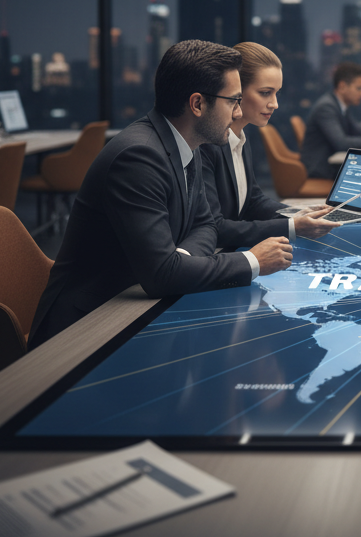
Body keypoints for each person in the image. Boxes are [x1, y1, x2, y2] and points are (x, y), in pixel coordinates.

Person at [29, 40, 293, 348]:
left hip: (136, 306)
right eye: (233, 101)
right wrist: (252, 260)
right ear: (197, 104)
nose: (238, 112)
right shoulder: (138, 156)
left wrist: (179, 259)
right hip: (87, 329)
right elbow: (161, 275)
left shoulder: (186, 144)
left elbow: (205, 225)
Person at [202, 42, 340, 249]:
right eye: (266, 93)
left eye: (276, 93)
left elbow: (253, 200)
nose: (274, 104)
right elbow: (215, 228)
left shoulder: (240, 137)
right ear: (236, 91)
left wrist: (299, 214)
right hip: (216, 260)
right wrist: (293, 226)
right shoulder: (206, 144)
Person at [302, 63, 361, 180]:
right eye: (359, 88)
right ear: (342, 86)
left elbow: (356, 131)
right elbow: (342, 143)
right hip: (321, 171)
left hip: (331, 167)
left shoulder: (340, 105)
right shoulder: (326, 107)